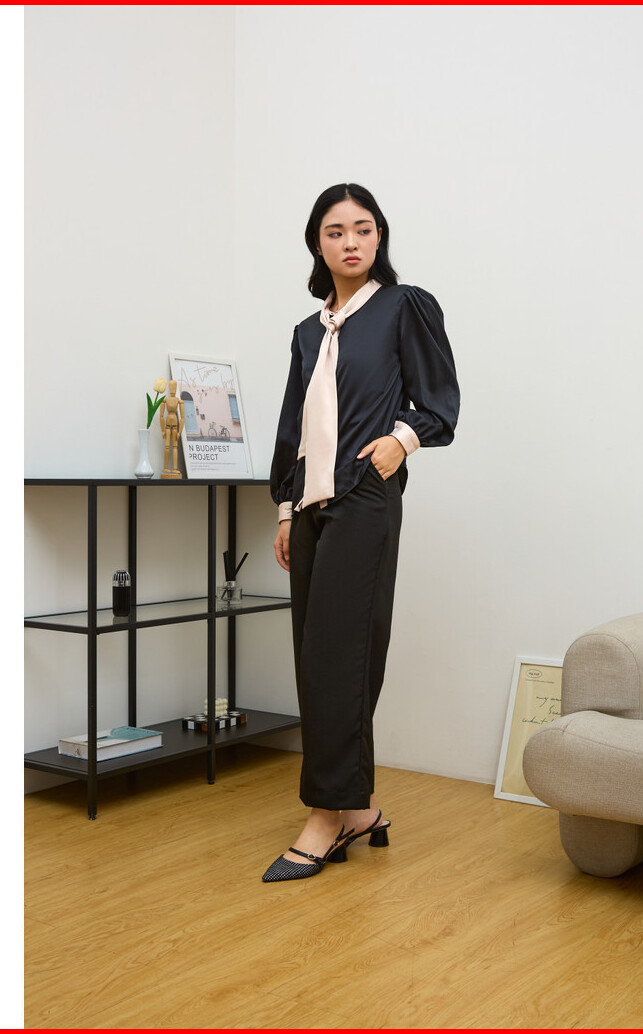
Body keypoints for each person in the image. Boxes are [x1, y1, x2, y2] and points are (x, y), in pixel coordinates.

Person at [263, 183, 460, 882]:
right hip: (310, 507)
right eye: (335, 231)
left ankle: (326, 816)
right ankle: (361, 807)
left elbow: (439, 402)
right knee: (314, 656)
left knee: (340, 657)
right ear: (317, 245)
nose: (351, 241)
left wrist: (399, 442)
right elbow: (294, 427)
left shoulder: (405, 307)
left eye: (364, 228)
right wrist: (286, 509)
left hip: (364, 499)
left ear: (380, 237)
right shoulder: (306, 332)